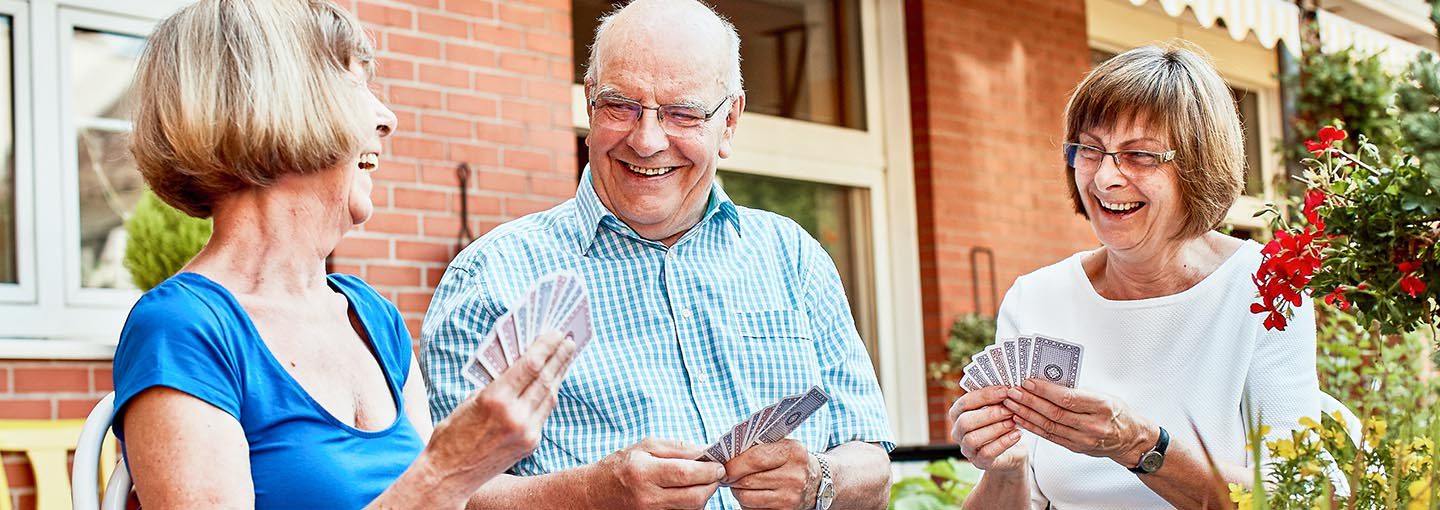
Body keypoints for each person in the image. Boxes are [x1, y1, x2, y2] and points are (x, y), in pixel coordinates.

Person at [420, 0, 894, 508]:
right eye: (620, 106)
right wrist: (591, 494)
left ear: (729, 122)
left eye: (682, 113)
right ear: (589, 104)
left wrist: (819, 479)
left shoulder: (793, 257)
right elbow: (447, 492)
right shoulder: (492, 276)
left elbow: (874, 465)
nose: (646, 141)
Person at [111, 1, 576, 508]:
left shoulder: (373, 318)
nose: (388, 119)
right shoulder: (183, 328)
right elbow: (434, 488)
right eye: (356, 86)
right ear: (270, 102)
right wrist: (448, 469)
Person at [948, 43, 1322, 509]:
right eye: (1091, 150)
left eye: (1140, 155)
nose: (1105, 178)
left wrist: (1142, 446)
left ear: (1198, 166)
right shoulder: (1036, 297)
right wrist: (1006, 470)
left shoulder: (1264, 285)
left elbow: (1302, 497)